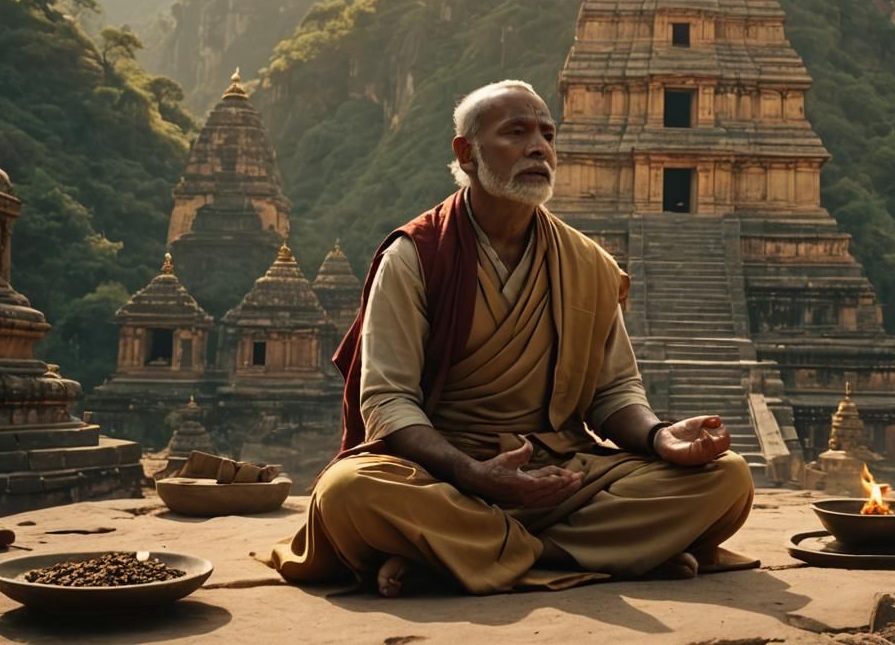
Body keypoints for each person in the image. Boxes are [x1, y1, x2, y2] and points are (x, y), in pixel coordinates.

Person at [266, 80, 757, 596]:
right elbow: (388, 402)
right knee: (350, 491)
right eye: (516, 133)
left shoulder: (587, 263)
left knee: (727, 479)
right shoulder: (415, 256)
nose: (539, 148)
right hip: (446, 474)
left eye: (548, 135)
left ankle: (465, 556)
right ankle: (607, 553)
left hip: (561, 474)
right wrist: (476, 475)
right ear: (467, 153)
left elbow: (613, 394)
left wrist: (660, 436)